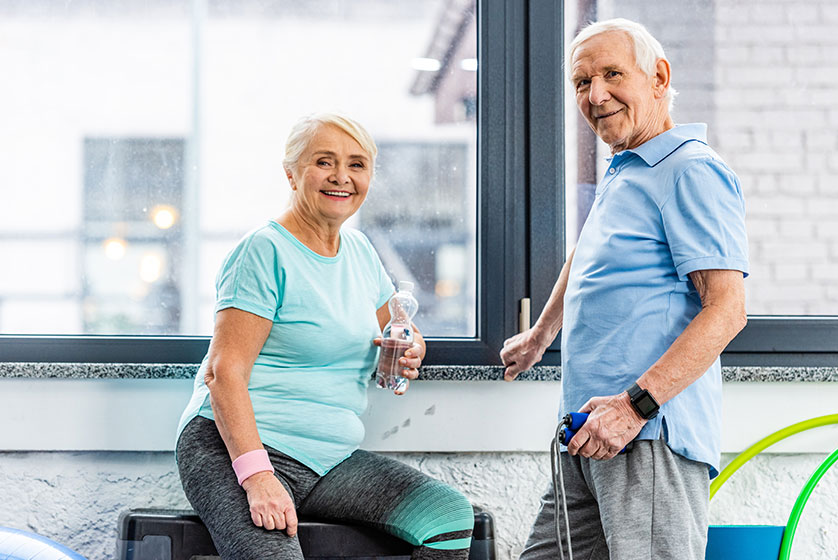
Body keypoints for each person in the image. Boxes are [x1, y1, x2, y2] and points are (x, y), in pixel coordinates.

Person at [500, 18, 749, 560]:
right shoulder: (626, 171)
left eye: (613, 74)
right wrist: (541, 334)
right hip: (589, 432)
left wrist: (635, 407)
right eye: (582, 82)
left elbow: (727, 310)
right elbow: (588, 251)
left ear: (658, 77)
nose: (596, 95)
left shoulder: (690, 171)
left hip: (646, 434)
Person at [176, 113, 474, 560]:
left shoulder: (359, 252)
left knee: (447, 519)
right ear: (292, 173)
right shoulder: (264, 251)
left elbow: (393, 328)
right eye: (324, 162)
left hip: (328, 458)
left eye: (357, 165)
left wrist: (411, 345)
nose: (341, 177)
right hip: (237, 450)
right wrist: (257, 478)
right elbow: (224, 373)